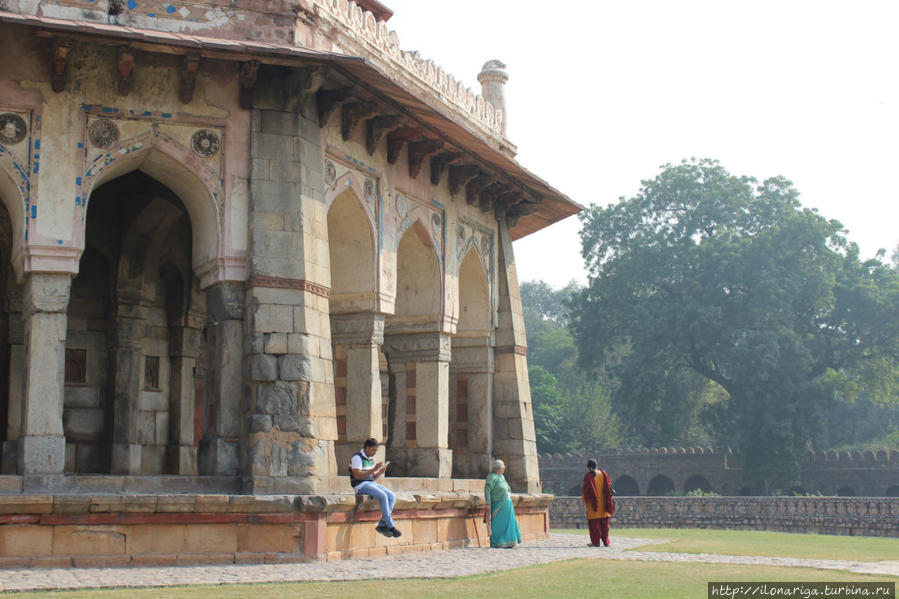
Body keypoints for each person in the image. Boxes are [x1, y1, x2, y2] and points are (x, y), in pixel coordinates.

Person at [350, 438, 401, 538]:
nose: (374, 453)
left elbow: (372, 477)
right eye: (373, 450)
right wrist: (374, 469)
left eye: (376, 451)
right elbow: (357, 475)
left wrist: (380, 472)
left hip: (371, 483)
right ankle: (391, 526)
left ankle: (382, 525)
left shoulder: (370, 459)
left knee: (391, 496)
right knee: (382, 496)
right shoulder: (357, 457)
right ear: (367, 448)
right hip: (360, 485)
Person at [483, 459, 522, 548]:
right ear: (498, 468)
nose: (504, 468)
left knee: (509, 524)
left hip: (507, 504)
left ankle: (510, 542)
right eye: (502, 467)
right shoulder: (492, 477)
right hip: (498, 505)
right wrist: (488, 503)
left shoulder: (502, 477)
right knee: (498, 524)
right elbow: (487, 490)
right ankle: (498, 542)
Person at [581, 458, 614, 547]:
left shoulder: (588, 476)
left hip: (593, 505)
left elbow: (586, 490)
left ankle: (595, 542)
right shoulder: (603, 474)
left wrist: (583, 501)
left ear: (590, 467)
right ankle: (606, 542)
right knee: (605, 526)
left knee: (594, 526)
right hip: (604, 504)